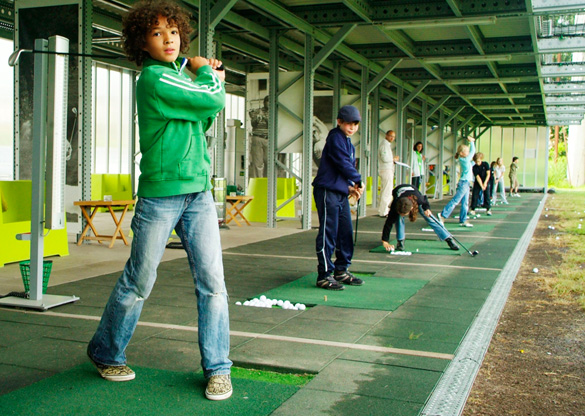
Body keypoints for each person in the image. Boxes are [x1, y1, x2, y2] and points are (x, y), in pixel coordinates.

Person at [86, 0, 233, 401]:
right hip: (160, 196)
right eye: (156, 33)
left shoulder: (178, 77)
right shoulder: (153, 79)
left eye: (173, 31)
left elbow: (202, 117)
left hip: (198, 192)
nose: (168, 39)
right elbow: (212, 101)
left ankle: (218, 368)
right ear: (142, 43)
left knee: (213, 284)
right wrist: (207, 74)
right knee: (139, 280)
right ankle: (105, 351)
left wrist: (200, 80)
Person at [313, 105, 365, 290]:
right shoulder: (335, 137)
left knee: (345, 233)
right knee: (329, 233)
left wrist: (350, 187)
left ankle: (341, 270)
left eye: (355, 124)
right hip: (327, 192)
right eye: (348, 123)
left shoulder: (347, 142)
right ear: (339, 122)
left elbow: (338, 170)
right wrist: (358, 180)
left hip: (339, 192)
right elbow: (342, 163)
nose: (352, 127)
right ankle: (324, 275)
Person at [381, 184, 459, 252]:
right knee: (398, 219)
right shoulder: (395, 205)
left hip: (414, 194)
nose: (403, 215)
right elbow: (388, 223)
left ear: (411, 208)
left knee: (429, 218)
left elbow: (425, 200)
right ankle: (400, 242)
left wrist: (427, 209)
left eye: (404, 214)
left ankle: (449, 239)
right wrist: (385, 241)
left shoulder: (419, 199)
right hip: (398, 192)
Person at [437, 137, 476, 228]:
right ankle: (443, 215)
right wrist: (471, 142)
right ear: (461, 153)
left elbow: (471, 163)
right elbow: (473, 152)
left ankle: (463, 220)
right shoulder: (464, 159)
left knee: (465, 203)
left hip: (466, 183)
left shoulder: (465, 160)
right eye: (466, 151)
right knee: (455, 201)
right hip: (464, 183)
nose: (468, 152)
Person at [378, 130, 399, 217]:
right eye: (391, 136)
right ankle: (384, 211)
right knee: (387, 191)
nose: (392, 138)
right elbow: (385, 158)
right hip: (386, 170)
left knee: (385, 191)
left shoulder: (386, 145)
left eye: (393, 137)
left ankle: (383, 209)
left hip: (387, 169)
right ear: (386, 135)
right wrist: (393, 159)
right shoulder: (384, 145)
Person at [248, 95, 269, 178]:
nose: (268, 103)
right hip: (257, 137)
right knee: (257, 163)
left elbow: (274, 125)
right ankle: (258, 181)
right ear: (264, 102)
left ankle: (268, 181)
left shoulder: (274, 112)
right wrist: (256, 119)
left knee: (269, 162)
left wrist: (265, 118)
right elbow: (253, 124)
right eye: (267, 101)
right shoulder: (257, 111)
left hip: (269, 138)